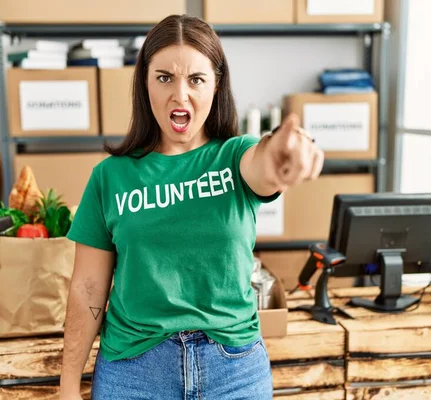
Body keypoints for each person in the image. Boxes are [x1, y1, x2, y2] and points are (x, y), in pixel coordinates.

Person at [59, 14, 324, 400]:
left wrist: (284, 150)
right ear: (144, 83)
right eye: (165, 77)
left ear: (216, 85)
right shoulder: (110, 177)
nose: (180, 95)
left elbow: (265, 164)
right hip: (134, 371)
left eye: (196, 79)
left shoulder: (236, 157)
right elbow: (87, 288)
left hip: (233, 368)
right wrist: (68, 384)